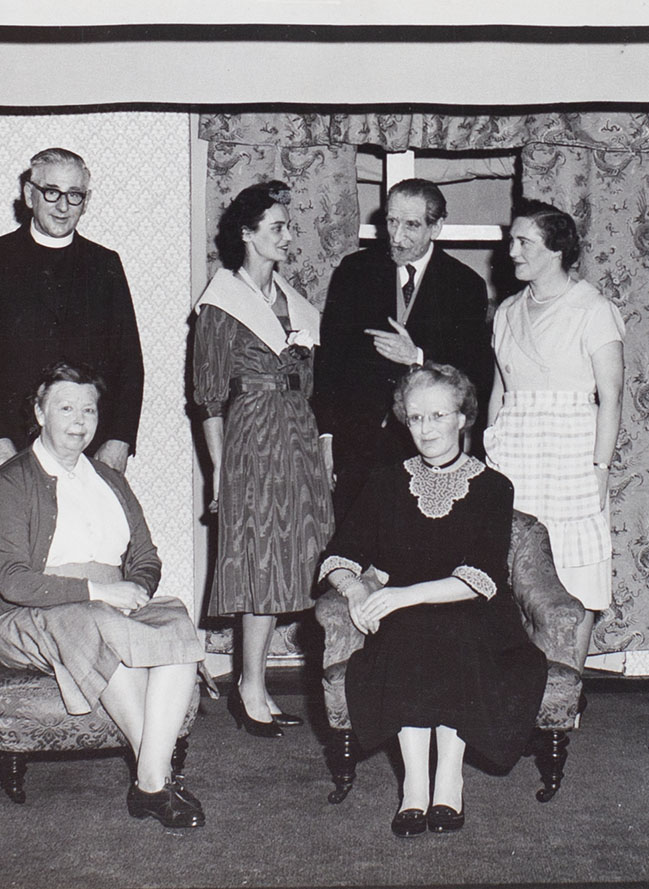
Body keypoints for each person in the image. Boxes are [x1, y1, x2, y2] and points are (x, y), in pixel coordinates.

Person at [0, 362, 206, 829]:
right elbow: (14, 581)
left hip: (109, 603)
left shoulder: (111, 480)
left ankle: (150, 781)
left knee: (177, 624)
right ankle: (158, 780)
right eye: (65, 408)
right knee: (95, 622)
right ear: (39, 413)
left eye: (89, 410)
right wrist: (100, 591)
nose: (79, 421)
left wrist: (137, 588)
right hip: (27, 612)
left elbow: (145, 555)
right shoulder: (10, 481)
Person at [321, 364, 546, 837]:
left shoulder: (492, 487)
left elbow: (481, 576)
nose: (426, 429)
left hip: (476, 612)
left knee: (452, 630)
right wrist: (359, 589)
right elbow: (340, 555)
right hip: (406, 613)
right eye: (416, 417)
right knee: (408, 632)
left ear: (463, 418)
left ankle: (449, 780)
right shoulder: (384, 483)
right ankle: (414, 788)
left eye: (437, 416)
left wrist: (401, 596)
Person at [193, 180, 334, 737]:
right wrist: (221, 471)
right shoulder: (220, 303)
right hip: (251, 438)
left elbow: (315, 387)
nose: (288, 236)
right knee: (257, 558)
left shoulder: (294, 302)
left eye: (288, 226)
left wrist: (323, 453)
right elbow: (208, 399)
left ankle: (257, 683)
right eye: (277, 227)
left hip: (298, 436)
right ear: (246, 234)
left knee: (289, 558)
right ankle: (248, 686)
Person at [486, 199, 624, 663]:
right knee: (515, 571)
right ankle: (524, 692)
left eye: (523, 241)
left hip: (571, 452)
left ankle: (565, 689)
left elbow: (611, 396)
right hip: (515, 451)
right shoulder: (506, 311)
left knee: (574, 573)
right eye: (512, 241)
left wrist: (600, 468)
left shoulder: (593, 309)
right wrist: (489, 458)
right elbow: (498, 393)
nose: (512, 251)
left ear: (555, 250)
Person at [0, 147, 143, 475]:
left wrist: (120, 439)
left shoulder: (104, 264)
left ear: (87, 200)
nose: (63, 206)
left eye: (75, 195)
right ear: (29, 194)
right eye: (52, 192)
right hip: (12, 444)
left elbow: (129, 360)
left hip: (89, 445)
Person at [314, 178, 491, 517]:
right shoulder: (355, 272)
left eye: (411, 225)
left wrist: (418, 357)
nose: (396, 236)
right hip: (356, 444)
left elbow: (475, 372)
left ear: (436, 226)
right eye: (391, 222)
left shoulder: (465, 285)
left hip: (425, 443)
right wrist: (327, 436)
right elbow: (328, 363)